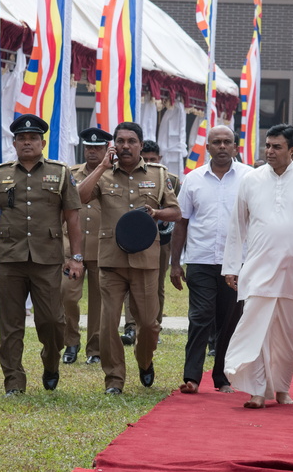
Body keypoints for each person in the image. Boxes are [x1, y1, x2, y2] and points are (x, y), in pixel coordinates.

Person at [0, 114, 84, 397]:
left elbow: (73, 217)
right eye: (22, 138)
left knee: (51, 321)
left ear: (42, 142)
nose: (27, 142)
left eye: (33, 138)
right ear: (14, 142)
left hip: (47, 259)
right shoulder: (1, 174)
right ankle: (13, 381)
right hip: (10, 259)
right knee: (10, 324)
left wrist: (76, 257)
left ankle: (51, 360)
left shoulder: (60, 173)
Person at [223, 124, 293, 409]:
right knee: (255, 328)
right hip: (258, 268)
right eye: (267, 146)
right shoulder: (251, 180)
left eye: (277, 147)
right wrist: (231, 266)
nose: (269, 151)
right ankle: (258, 391)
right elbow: (237, 225)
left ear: (292, 151)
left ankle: (282, 389)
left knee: (286, 336)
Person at [77, 122, 181, 395]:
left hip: (146, 261)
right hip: (111, 261)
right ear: (113, 145)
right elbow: (80, 197)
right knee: (108, 322)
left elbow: (176, 212)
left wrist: (156, 214)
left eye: (131, 141)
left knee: (148, 323)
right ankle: (114, 379)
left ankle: (145, 362)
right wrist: (101, 166)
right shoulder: (104, 174)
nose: (125, 146)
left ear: (140, 145)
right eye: (120, 141)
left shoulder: (159, 175)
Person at [170, 126, 253, 394]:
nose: (222, 147)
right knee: (201, 315)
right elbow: (180, 223)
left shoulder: (250, 178)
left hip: (237, 263)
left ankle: (222, 376)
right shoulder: (193, 180)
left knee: (229, 320)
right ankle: (192, 376)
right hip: (200, 259)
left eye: (227, 142)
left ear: (235, 147)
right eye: (216, 142)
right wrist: (174, 263)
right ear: (208, 148)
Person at [61, 127, 113, 365]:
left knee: (100, 302)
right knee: (67, 295)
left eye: (98, 148)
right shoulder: (69, 173)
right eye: (89, 147)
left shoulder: (114, 175)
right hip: (73, 248)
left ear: (106, 150)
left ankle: (95, 348)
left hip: (104, 247)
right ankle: (71, 341)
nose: (93, 152)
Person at [120, 140, 180, 345]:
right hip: (132, 239)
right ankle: (130, 327)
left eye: (153, 159)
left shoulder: (169, 179)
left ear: (160, 159)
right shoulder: (129, 178)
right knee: (130, 282)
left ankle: (155, 325)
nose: (149, 163)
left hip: (161, 240)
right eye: (145, 159)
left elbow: (177, 210)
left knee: (156, 286)